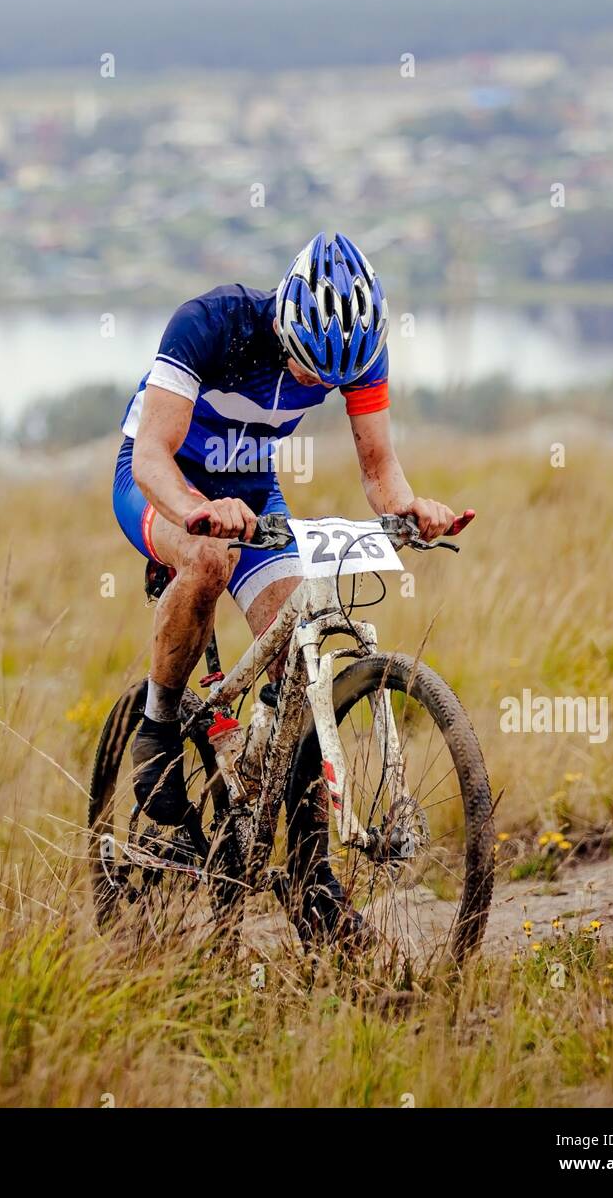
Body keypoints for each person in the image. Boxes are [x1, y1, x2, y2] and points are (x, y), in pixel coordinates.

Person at [112, 231, 459, 934]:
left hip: (252, 489)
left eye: (327, 382)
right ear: (284, 323)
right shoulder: (211, 324)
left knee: (296, 644)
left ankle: (309, 877)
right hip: (163, 483)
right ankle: (156, 733)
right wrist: (195, 512)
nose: (314, 386)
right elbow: (151, 453)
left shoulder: (356, 349)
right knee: (206, 564)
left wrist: (412, 511)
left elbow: (379, 472)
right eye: (305, 370)